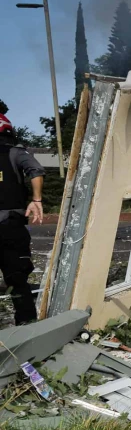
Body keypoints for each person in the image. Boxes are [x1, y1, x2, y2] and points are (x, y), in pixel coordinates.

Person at [0, 113, 44, 324]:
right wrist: (37, 199)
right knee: (18, 279)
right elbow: (35, 170)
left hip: (9, 224)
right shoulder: (16, 152)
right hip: (10, 226)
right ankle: (26, 329)